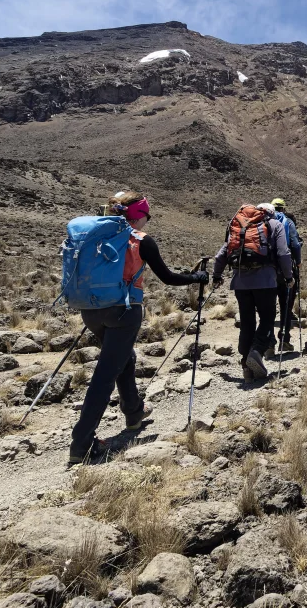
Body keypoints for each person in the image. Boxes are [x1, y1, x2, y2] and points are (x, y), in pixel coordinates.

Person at [70, 191, 208, 465]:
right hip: (124, 310)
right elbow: (167, 278)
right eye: (147, 215)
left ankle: (134, 413)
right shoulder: (140, 240)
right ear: (138, 215)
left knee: (124, 359)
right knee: (106, 373)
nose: (148, 220)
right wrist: (196, 277)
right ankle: (81, 444)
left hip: (90, 309)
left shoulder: (95, 236)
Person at [212, 202, 293, 383]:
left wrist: (216, 275)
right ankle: (256, 351)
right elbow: (283, 253)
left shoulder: (239, 226)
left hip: (240, 282)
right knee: (267, 318)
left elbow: (222, 254)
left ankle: (246, 367)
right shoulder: (274, 224)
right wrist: (288, 277)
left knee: (247, 321)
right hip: (265, 281)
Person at [271, 198, 303, 352]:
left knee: (268, 307)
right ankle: (284, 339)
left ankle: (269, 343)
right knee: (286, 305)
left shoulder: (264, 222)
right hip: (286, 271)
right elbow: (296, 244)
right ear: (283, 208)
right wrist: (298, 262)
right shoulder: (288, 222)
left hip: (267, 271)